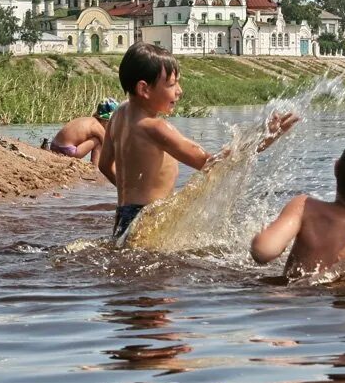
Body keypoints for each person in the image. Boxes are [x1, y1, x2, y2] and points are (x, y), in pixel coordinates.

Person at [99, 42, 298, 238]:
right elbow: (211, 162)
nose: (179, 90)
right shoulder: (155, 128)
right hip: (147, 222)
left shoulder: (118, 114)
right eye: (171, 84)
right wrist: (264, 137)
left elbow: (104, 164)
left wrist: (130, 197)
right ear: (144, 89)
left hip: (123, 217)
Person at [251, 134, 345, 277]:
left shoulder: (305, 208)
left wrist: (261, 236)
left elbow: (263, 251)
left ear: (336, 168)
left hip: (295, 299)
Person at [45, 98, 119, 165]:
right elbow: (108, 147)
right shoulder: (97, 127)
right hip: (67, 150)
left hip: (54, 146)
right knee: (98, 140)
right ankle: (95, 167)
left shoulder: (88, 120)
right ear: (106, 120)